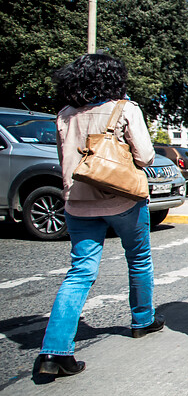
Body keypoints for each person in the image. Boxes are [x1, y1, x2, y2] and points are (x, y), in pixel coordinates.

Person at [36, 53, 164, 377]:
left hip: (77, 202)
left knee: (80, 271)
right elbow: (146, 157)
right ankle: (142, 320)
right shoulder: (125, 109)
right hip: (123, 199)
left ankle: (54, 351)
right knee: (138, 259)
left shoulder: (65, 114)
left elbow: (64, 158)